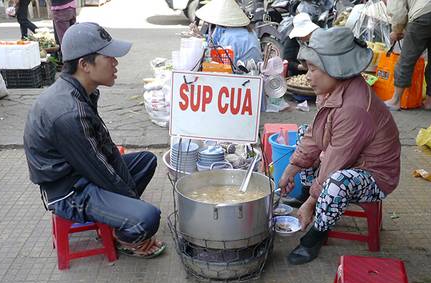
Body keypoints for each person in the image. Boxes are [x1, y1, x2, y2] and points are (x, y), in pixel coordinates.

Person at [23, 23, 166, 259]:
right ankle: (125, 236)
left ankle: (117, 215)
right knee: (148, 217)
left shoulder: (82, 91)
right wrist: (132, 205)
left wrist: (126, 195)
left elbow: (105, 148)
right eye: (109, 57)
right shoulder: (68, 113)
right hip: (69, 190)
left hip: (81, 170)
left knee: (147, 160)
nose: (115, 63)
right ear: (85, 65)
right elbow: (99, 168)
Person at [277, 27, 401, 265]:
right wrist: (291, 169)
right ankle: (306, 194)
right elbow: (315, 135)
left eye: (313, 69)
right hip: (350, 157)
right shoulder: (332, 89)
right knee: (305, 131)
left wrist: (313, 202)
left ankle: (315, 236)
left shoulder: (353, 108)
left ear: (336, 70)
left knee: (337, 183)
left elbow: (336, 160)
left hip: (376, 174)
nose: (308, 75)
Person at [385, 0, 431, 111]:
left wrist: (396, 31)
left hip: (423, 14)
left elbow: (398, 12)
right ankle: (429, 101)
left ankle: (395, 101)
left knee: (406, 59)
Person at [196, 0, 262, 64]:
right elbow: (213, 42)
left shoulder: (230, 36)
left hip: (241, 72)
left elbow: (221, 62)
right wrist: (201, 37)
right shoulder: (249, 31)